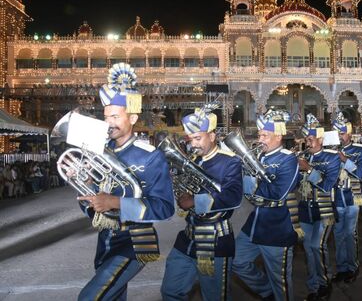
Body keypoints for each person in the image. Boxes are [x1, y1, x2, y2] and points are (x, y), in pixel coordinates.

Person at [74, 63, 175, 300]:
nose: (108, 122)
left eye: (116, 116)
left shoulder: (150, 156)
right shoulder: (99, 150)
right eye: (106, 116)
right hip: (106, 241)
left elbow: (165, 208)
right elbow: (92, 209)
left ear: (133, 117)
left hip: (135, 242)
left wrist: (116, 202)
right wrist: (84, 182)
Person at [161, 103, 243, 301]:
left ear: (212, 136)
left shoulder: (230, 161)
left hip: (215, 240)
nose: (193, 144)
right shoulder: (194, 160)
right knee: (170, 291)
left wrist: (194, 201)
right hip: (188, 238)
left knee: (215, 297)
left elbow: (233, 197)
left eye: (198, 138)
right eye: (191, 139)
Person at [232, 109, 300, 301]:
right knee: (237, 261)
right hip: (254, 225)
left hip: (276, 228)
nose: (259, 139)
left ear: (278, 136)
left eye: (265, 135)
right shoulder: (260, 156)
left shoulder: (288, 159)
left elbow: (279, 193)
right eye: (259, 134)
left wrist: (252, 185)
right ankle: (266, 292)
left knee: (281, 282)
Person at [298, 114, 340, 301]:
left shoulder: (332, 158)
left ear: (321, 140)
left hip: (324, 208)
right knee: (308, 248)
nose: (307, 143)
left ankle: (325, 282)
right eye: (306, 139)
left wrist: (308, 169)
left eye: (311, 139)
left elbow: (328, 185)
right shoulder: (303, 156)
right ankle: (314, 284)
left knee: (317, 245)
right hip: (305, 208)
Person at [330, 112, 362, 283]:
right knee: (338, 234)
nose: (339, 136)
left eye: (342, 133)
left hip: (352, 196)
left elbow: (360, 174)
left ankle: (352, 266)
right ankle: (342, 268)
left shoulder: (359, 150)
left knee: (350, 233)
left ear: (350, 134)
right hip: (336, 197)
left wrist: (344, 159)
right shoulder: (329, 152)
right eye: (337, 133)